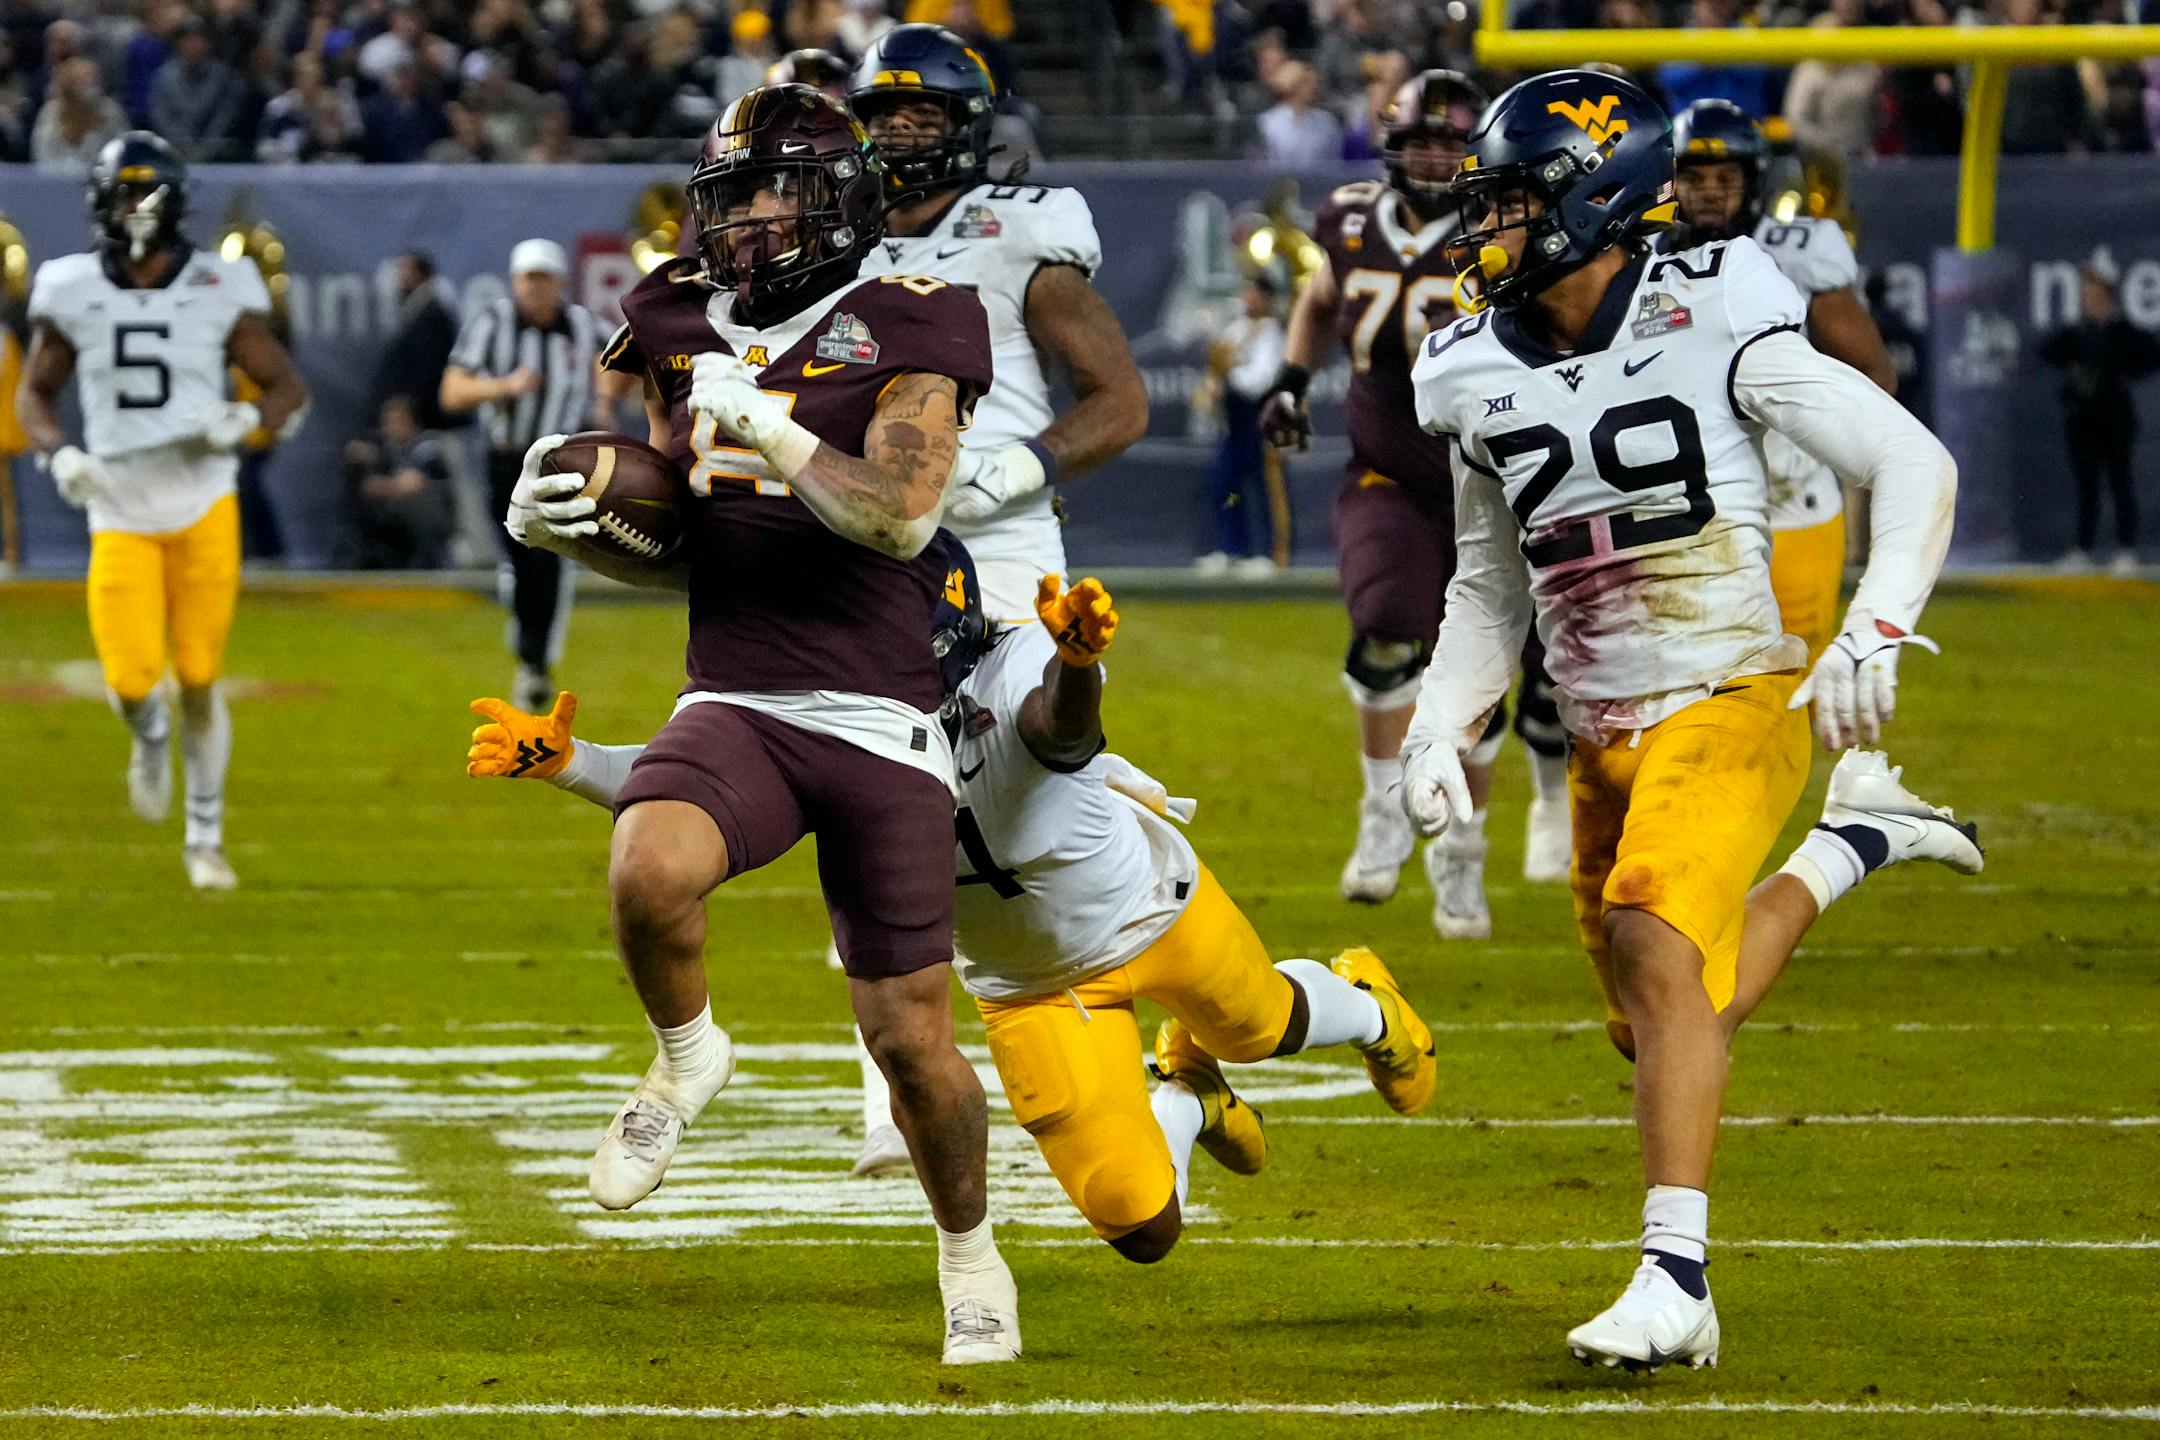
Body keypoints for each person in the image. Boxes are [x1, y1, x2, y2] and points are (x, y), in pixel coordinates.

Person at [1402, 71, 1983, 1371]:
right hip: (1602, 721)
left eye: (1510, 197)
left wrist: (1872, 629)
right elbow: (1490, 586)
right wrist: (1444, 723)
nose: (1485, 226)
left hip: (1736, 685)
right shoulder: (1466, 361)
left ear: (1593, 197)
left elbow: (1912, 460)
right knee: (1672, 1009)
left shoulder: (1719, 306)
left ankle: (1677, 1278)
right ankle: (1851, 849)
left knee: (1655, 935)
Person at [468, 562, 1441, 1264]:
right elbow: (712, 778)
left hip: (1149, 908)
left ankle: (1365, 998)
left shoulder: (1011, 661)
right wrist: (573, 764)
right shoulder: (827, 700)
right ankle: (1186, 1097)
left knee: (1263, 1022)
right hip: (1026, 989)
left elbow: (1058, 727)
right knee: (1144, 1228)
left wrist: (1075, 663)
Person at [504, 85, 1017, 1365]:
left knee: (910, 1042)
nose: (746, 222)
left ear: (838, 201)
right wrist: (576, 524)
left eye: (774, 194)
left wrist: (774, 423)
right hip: (735, 690)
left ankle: (969, 1252)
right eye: (730, 197)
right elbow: (688, 528)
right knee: (647, 869)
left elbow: (900, 514)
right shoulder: (675, 316)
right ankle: (686, 1059)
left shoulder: (914, 318)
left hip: (881, 703)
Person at [843, 22, 1149, 1175]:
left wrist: (1026, 463)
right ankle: (886, 1085)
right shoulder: (831, 239)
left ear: (970, 125)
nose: (903, 135)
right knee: (872, 794)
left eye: (924, 116)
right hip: (876, 547)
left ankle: (1149, 983)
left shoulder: (1022, 233)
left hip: (1011, 552)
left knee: (1026, 803)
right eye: (886, 116)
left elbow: (1119, 399)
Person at [1259, 70, 1571, 936]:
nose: (1435, 156)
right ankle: (1384, 811)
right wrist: (1292, 378)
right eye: (1420, 140)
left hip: (1493, 477)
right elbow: (1323, 299)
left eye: (1450, 141)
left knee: (1485, 676)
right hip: (1389, 467)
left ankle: (1460, 853)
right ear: (1391, 146)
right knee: (1388, 626)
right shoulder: (1351, 216)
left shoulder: (1507, 220)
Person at [14, 131, 307, 890]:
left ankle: (204, 838)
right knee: (135, 680)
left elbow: (286, 389)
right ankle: (148, 737)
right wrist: (58, 454)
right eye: (119, 192)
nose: (130, 207)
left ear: (175, 201)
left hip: (203, 499)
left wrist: (246, 421)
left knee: (202, 674)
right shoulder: (71, 286)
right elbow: (35, 393)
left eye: (142, 192)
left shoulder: (220, 283)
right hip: (117, 506)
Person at [1667, 100, 1899, 658]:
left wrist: (1804, 429)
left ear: (1754, 182)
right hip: (1684, 510)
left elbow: (1875, 374)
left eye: (1726, 177)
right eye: (1694, 177)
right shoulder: (1643, 258)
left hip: (1787, 503)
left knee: (1789, 674)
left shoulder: (1797, 253)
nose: (1710, 191)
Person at [440, 237, 602, 713]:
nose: (537, 288)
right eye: (529, 279)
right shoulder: (492, 322)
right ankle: (531, 652)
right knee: (519, 556)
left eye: (545, 278)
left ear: (559, 283)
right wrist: (503, 386)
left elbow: (619, 360)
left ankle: (533, 662)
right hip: (508, 459)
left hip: (561, 459)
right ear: (515, 282)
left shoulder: (581, 324)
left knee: (545, 558)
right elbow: (452, 391)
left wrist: (608, 399)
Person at [2037, 264, 2160, 574]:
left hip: (2116, 418)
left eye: (2095, 294)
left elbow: (2149, 354)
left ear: (2108, 296)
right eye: (2086, 294)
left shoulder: (2122, 332)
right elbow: (2047, 351)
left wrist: (2124, 373)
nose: (2089, 300)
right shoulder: (2078, 332)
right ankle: (2083, 548)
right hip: (2083, 419)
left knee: (2120, 482)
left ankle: (2126, 549)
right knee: (2086, 486)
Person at [1193, 271, 1288, 575]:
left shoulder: (1271, 331)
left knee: (1262, 485)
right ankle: (1234, 549)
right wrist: (1213, 383)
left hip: (1259, 418)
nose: (1246, 298)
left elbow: (1262, 378)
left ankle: (1267, 554)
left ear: (1265, 298)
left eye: (1252, 292)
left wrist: (1229, 382)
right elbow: (1219, 363)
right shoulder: (1237, 329)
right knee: (1224, 483)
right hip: (1234, 421)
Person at [344, 392, 455, 568]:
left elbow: (413, 484)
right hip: (402, 532)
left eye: (397, 421)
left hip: (434, 531)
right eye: (386, 422)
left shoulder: (429, 446)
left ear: (412, 421)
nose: (390, 428)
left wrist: (379, 485)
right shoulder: (390, 450)